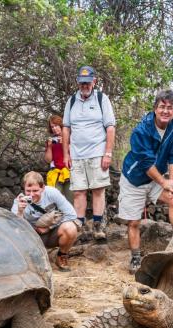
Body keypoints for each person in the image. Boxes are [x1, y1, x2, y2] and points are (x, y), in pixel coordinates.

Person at [117, 90, 173, 273]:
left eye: (170, 108)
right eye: (162, 107)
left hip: (158, 177)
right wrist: (164, 183)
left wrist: (172, 183)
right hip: (135, 178)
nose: (165, 111)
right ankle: (135, 257)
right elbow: (146, 163)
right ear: (155, 108)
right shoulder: (141, 130)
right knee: (134, 222)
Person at [62, 66, 116, 243]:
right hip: (76, 154)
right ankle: (80, 225)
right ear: (78, 82)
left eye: (87, 82)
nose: (84, 85)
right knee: (78, 192)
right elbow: (66, 129)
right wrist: (65, 154)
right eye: (81, 82)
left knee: (98, 190)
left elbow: (110, 127)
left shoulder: (102, 99)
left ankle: (98, 226)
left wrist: (107, 153)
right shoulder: (71, 101)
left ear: (94, 81)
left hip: (97, 152)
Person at [12, 171, 81, 272]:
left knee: (71, 228)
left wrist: (48, 228)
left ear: (43, 188)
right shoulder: (19, 201)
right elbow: (15, 227)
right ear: (24, 189)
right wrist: (20, 212)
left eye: (35, 190)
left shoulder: (52, 193)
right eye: (28, 191)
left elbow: (71, 214)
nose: (31, 194)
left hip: (52, 232)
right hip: (33, 236)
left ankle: (62, 256)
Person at [44, 115, 70, 197]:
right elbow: (48, 160)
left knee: (70, 200)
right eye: (52, 127)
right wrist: (49, 147)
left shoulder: (70, 138)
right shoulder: (51, 140)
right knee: (54, 198)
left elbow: (75, 154)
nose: (54, 128)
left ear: (61, 125)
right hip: (55, 172)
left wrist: (64, 143)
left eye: (56, 126)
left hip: (69, 172)